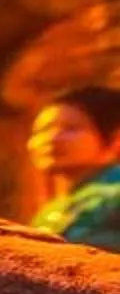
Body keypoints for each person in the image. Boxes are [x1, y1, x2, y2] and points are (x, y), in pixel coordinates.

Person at [29, 86, 120, 252]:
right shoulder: (52, 209)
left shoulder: (115, 195)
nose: (52, 138)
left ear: (116, 139)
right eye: (41, 130)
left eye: (71, 128)